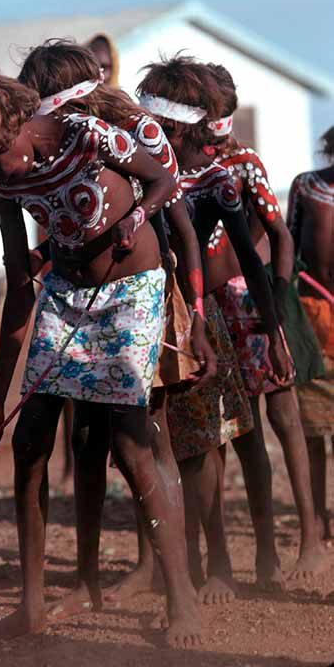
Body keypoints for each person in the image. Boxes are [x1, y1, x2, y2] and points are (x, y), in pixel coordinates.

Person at [0, 50, 203, 647]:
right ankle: (32, 606)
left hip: (133, 292)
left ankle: (182, 597)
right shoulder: (1, 179)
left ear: (13, 124)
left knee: (132, 444)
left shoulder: (86, 134)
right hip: (64, 297)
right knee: (31, 440)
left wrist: (135, 219)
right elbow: (19, 284)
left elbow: (164, 181)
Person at [135, 55, 293, 604]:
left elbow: (252, 258)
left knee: (206, 444)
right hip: (139, 318)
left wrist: (275, 329)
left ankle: (220, 561)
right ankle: (177, 563)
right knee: (156, 445)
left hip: (199, 323)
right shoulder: (129, 172)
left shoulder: (215, 178)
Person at [207, 63, 327, 581]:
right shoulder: (180, 163)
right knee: (240, 430)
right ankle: (264, 553)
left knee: (286, 418)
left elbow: (278, 237)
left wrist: (276, 310)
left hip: (255, 303)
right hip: (212, 306)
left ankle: (309, 539)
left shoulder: (242, 164)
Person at [288, 127, 334, 543]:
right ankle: (315, 516)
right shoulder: (306, 186)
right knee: (312, 430)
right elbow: (289, 245)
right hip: (312, 321)